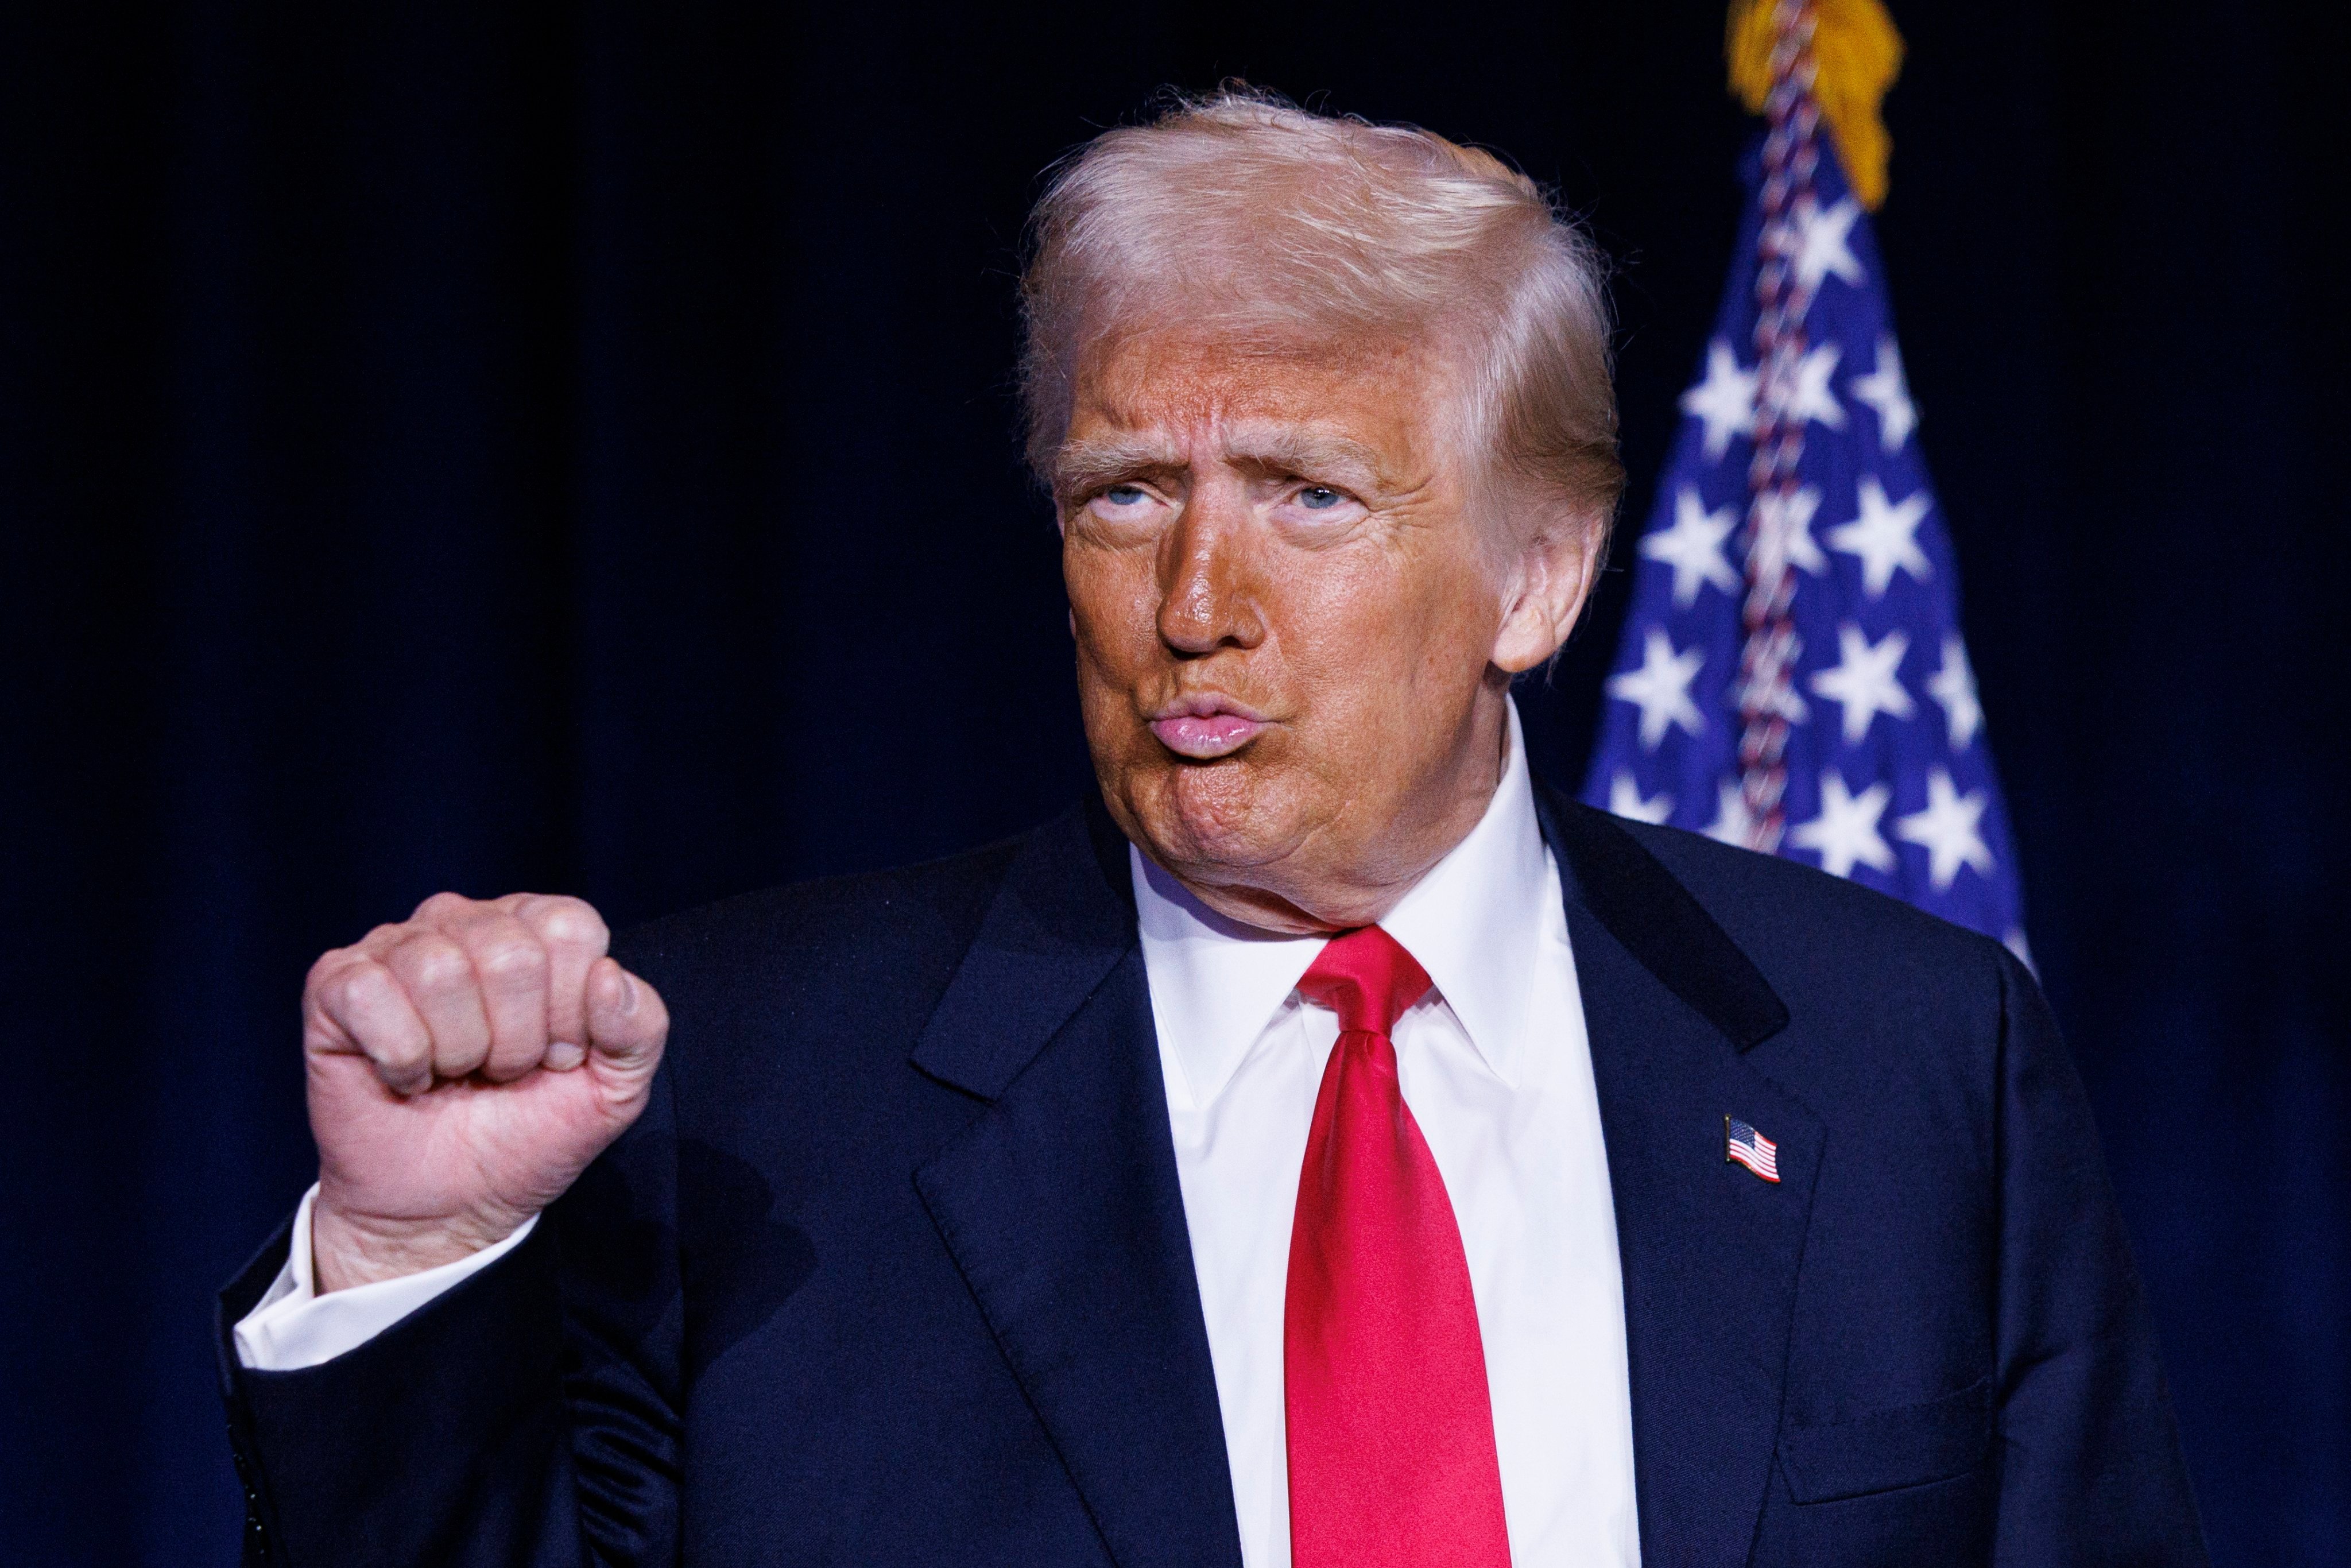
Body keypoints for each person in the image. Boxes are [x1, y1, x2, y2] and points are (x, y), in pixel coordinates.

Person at [216, 91, 2205, 1567]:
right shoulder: (748, 1088)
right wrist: (414, 1246)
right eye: (1121, 498)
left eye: (1308, 496)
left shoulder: (1913, 1061)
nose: (1193, 601)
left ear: (1540, 570)